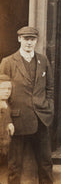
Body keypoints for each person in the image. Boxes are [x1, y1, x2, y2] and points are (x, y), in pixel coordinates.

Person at [0, 27, 54, 184]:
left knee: (45, 163)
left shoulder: (43, 60)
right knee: (15, 165)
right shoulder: (8, 62)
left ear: (36, 41)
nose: (29, 42)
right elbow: (2, 94)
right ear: (19, 40)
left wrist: (48, 107)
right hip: (17, 121)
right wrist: (8, 120)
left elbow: (50, 88)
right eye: (26, 39)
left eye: (32, 39)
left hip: (41, 119)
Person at [0, 74, 14, 180]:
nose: (7, 91)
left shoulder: (6, 104)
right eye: (3, 88)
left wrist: (9, 122)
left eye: (9, 88)